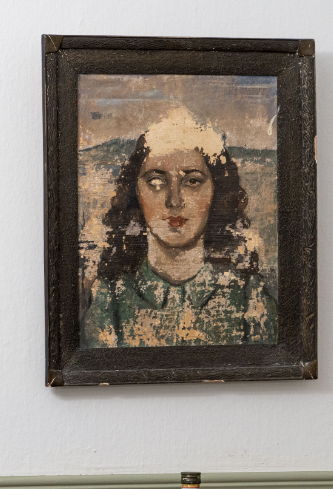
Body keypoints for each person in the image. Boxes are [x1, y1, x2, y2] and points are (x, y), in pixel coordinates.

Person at [81, 109, 277, 348]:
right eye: (156, 181)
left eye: (192, 181)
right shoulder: (110, 297)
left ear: (217, 191)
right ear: (135, 192)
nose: (174, 201)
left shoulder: (250, 295)